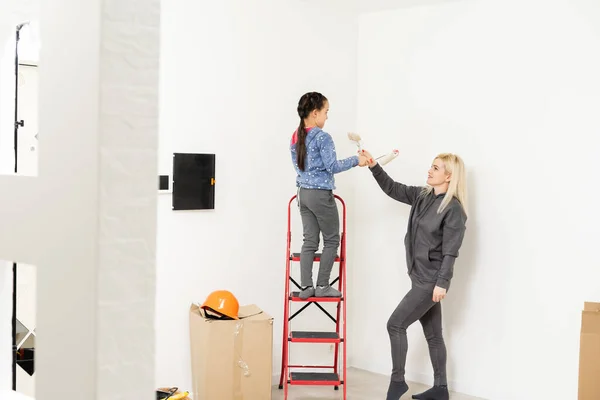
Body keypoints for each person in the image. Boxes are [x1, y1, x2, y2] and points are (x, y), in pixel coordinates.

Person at [360, 150, 468, 400]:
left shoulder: (454, 210)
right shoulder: (423, 196)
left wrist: (442, 283)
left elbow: (451, 252)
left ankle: (398, 381)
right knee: (434, 335)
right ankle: (441, 388)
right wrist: (374, 165)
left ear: (449, 176)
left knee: (395, 324)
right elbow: (392, 188)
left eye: (436, 168)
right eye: (431, 166)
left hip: (431, 282)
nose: (430, 170)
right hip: (419, 276)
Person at [290, 92, 369, 299]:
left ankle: (306, 287)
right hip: (320, 196)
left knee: (309, 241)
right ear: (315, 113)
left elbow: (300, 167)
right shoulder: (322, 137)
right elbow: (332, 166)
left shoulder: (295, 136)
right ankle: (323, 285)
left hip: (302, 195)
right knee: (332, 239)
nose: (326, 117)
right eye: (326, 112)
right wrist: (356, 160)